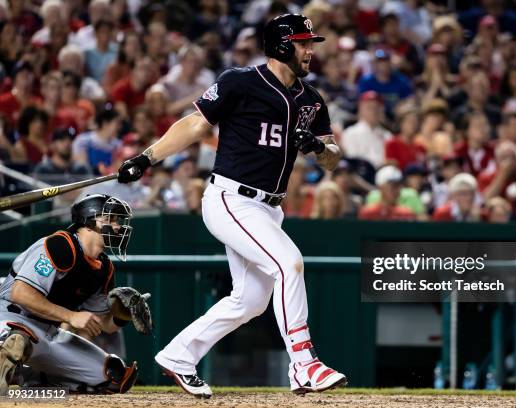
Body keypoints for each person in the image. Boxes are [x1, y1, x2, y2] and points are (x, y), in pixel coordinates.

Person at [116, 14, 346, 398]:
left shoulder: (311, 98)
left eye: (310, 43)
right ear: (282, 46)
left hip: (270, 208)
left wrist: (319, 148)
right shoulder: (241, 81)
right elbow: (195, 125)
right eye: (304, 43)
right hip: (231, 198)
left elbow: (333, 157)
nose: (310, 50)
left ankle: (178, 355)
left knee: (250, 300)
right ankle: (304, 364)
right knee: (290, 264)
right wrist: (147, 157)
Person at [0, 194, 152, 394]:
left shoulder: (104, 268)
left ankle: (27, 376)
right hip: (10, 318)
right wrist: (71, 316)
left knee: (113, 376)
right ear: (89, 221)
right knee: (17, 341)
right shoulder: (59, 245)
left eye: (118, 220)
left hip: (49, 333)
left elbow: (103, 324)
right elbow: (20, 293)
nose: (117, 226)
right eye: (111, 219)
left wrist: (122, 315)